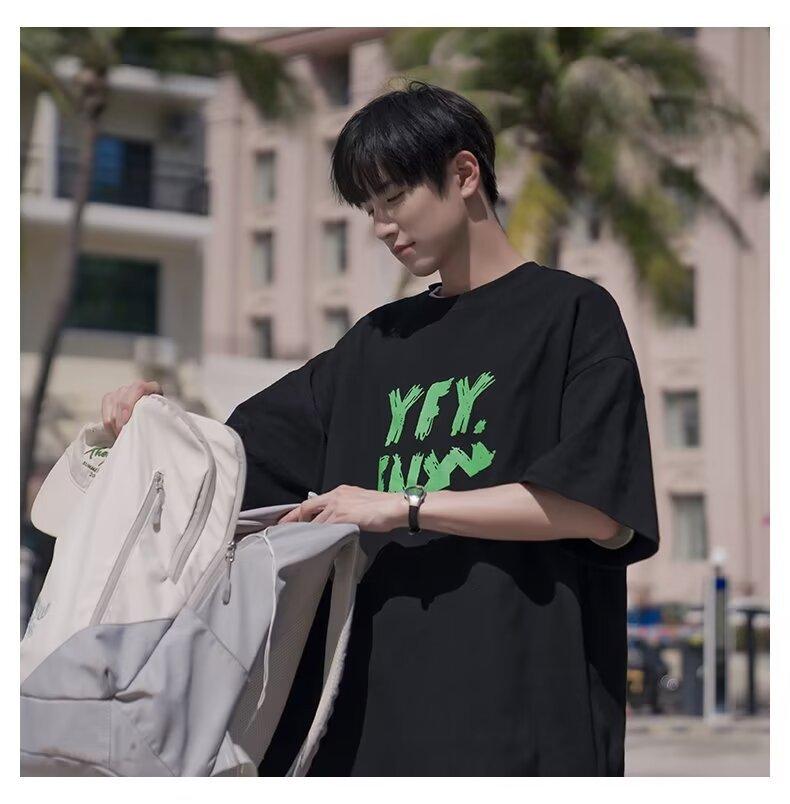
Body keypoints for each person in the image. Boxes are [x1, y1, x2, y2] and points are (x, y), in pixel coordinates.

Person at [102, 80, 659, 776]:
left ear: (464, 173)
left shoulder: (571, 314)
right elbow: (226, 465)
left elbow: (597, 509)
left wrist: (405, 506)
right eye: (369, 209)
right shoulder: (374, 344)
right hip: (365, 727)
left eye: (394, 197)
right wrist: (149, 421)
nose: (382, 226)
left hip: (521, 722)